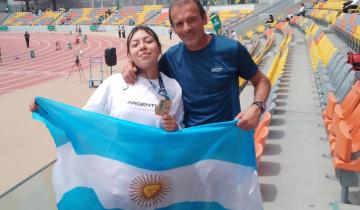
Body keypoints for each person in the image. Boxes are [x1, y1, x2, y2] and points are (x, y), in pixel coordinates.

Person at [123, 0, 271, 130]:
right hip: (192, 145)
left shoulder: (231, 50)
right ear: (173, 29)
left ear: (204, 18)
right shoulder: (170, 58)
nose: (186, 28)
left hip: (227, 140)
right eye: (179, 24)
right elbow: (161, 88)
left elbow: (262, 81)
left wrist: (257, 107)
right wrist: (131, 64)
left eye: (192, 20)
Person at [29, 26, 184, 132]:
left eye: (149, 41)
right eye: (135, 44)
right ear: (129, 55)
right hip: (119, 169)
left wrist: (175, 127)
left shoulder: (172, 87)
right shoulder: (114, 83)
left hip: (157, 172)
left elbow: (182, 128)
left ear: (159, 48)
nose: (143, 46)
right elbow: (84, 118)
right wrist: (48, 112)